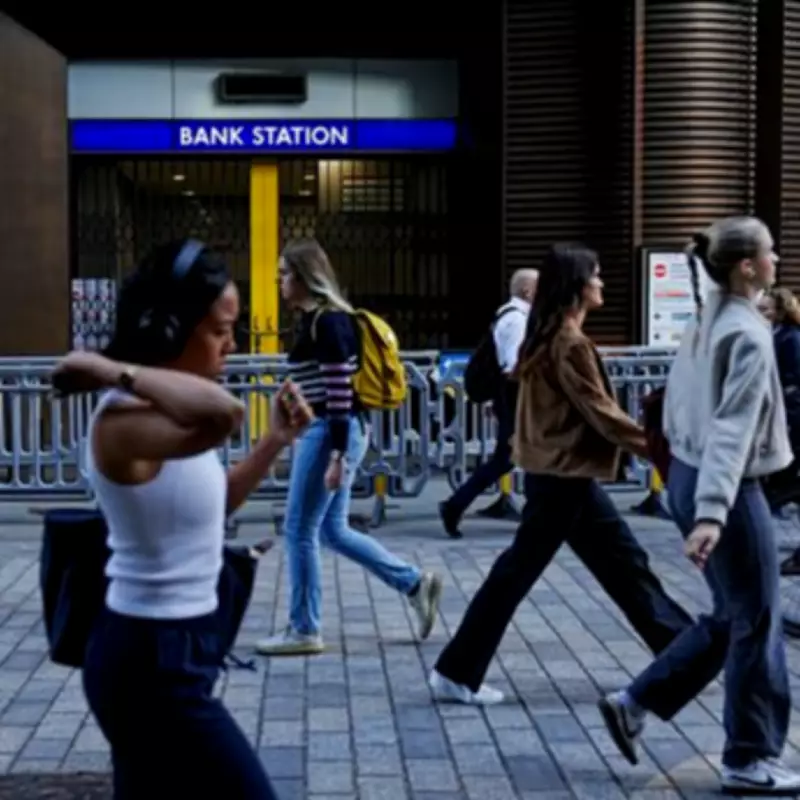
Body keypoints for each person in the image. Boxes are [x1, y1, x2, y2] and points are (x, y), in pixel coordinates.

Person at [51, 239, 309, 799]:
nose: (232, 345)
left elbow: (210, 512)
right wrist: (107, 369)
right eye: (220, 330)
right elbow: (225, 414)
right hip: (149, 658)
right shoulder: (122, 419)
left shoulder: (167, 414)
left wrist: (275, 443)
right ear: (171, 329)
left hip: (184, 648)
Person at [427, 243, 693, 705]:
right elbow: (601, 413)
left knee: (623, 565)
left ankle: (685, 653)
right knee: (528, 573)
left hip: (559, 474)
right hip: (562, 477)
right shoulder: (567, 342)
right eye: (596, 275)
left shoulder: (547, 334)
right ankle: (456, 670)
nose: (602, 283)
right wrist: (661, 450)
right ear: (576, 286)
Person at [599, 217, 800, 795]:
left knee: (734, 612)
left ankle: (636, 702)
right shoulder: (748, 333)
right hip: (729, 488)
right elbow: (733, 428)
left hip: (689, 475)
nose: (776, 259)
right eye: (769, 253)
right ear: (746, 266)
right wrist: (714, 512)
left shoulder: (710, 316)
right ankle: (749, 757)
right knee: (757, 622)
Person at [256, 238, 442, 656]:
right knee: (332, 530)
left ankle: (304, 629)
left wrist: (337, 457)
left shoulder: (330, 323)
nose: (280, 282)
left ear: (305, 278)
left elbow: (340, 394)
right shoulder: (315, 322)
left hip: (330, 433)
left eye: (285, 274)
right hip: (330, 431)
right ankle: (413, 583)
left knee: (299, 530)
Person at [439, 269, 538, 538]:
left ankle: (455, 505)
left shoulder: (509, 316)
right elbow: (511, 367)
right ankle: (454, 505)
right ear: (528, 291)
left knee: (514, 459)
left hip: (510, 398)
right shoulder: (516, 320)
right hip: (515, 399)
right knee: (508, 459)